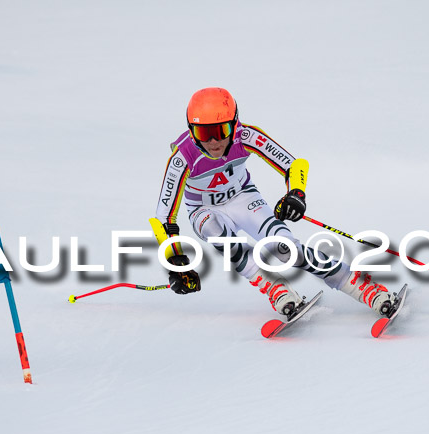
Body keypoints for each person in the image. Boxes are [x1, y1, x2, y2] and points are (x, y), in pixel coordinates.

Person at [153, 87, 395, 318]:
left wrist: (296, 194)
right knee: (216, 231)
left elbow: (294, 165)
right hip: (203, 210)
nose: (214, 141)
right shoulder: (182, 157)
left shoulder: (245, 136)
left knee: (285, 249)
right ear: (192, 131)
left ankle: (360, 286)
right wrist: (175, 261)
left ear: (234, 123)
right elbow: (164, 217)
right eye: (204, 133)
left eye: (222, 130)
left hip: (243, 197)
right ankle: (275, 288)